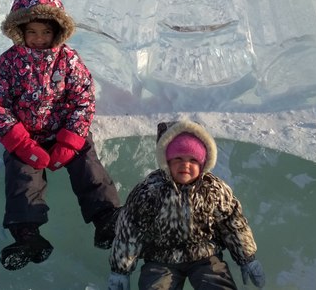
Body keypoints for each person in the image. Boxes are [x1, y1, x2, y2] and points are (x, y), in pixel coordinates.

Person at [0, 0, 121, 271]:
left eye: (46, 32)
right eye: (32, 32)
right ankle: (27, 234)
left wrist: (70, 141)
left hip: (64, 131)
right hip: (27, 137)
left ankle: (106, 217)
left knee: (88, 163)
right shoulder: (9, 62)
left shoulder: (68, 60)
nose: (39, 38)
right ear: (19, 31)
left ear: (57, 31)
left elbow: (83, 99)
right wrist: (20, 143)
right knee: (22, 175)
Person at [107, 119, 266, 289]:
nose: (185, 165)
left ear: (203, 163)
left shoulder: (214, 190)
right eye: (178, 158)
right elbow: (130, 231)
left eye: (193, 160)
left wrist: (247, 259)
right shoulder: (149, 191)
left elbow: (233, 224)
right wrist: (120, 270)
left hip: (205, 255)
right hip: (160, 258)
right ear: (166, 161)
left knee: (218, 284)